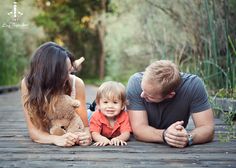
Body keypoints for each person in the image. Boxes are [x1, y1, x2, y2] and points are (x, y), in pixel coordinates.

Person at [126, 60, 214, 148]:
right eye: (142, 90)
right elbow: (139, 129)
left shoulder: (193, 85)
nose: (142, 95)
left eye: (149, 95)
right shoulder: (135, 82)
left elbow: (207, 128)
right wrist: (165, 135)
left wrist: (188, 138)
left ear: (170, 95)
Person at [21, 42, 92, 147]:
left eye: (69, 71)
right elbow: (34, 131)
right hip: (52, 132)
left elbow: (85, 126)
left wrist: (86, 136)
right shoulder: (28, 84)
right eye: (64, 73)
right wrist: (56, 139)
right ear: (49, 74)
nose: (68, 77)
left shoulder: (76, 83)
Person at [89, 81, 132, 146]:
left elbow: (126, 133)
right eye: (105, 102)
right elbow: (94, 133)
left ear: (122, 105)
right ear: (98, 105)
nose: (110, 106)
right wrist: (101, 139)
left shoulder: (124, 115)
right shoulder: (96, 115)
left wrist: (119, 138)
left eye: (115, 102)